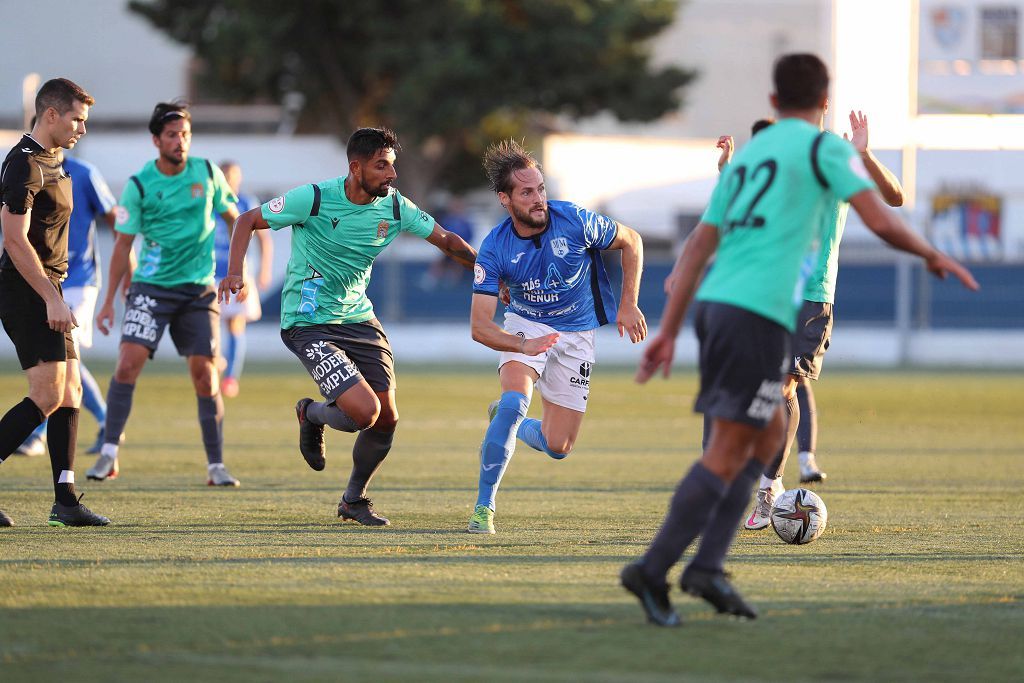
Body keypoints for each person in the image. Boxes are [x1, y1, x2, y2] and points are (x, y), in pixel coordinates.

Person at [621, 53, 978, 627]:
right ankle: (657, 567)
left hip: (719, 307)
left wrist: (667, 329)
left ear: (772, 102)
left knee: (767, 434)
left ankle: (708, 565)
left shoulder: (753, 155)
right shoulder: (823, 151)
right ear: (825, 99)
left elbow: (697, 245)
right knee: (730, 448)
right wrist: (933, 255)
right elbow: (886, 220)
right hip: (765, 310)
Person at [219, 127, 476, 526]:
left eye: (392, 166)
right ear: (355, 168)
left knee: (387, 417)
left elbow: (447, 241)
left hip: (359, 318)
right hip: (308, 322)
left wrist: (490, 277)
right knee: (364, 412)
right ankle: (313, 414)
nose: (391, 175)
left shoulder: (394, 207)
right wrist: (236, 271)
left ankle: (354, 500)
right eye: (381, 166)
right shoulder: (315, 198)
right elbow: (247, 220)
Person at [466, 139, 646, 534]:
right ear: (504, 198)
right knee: (515, 401)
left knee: (558, 447)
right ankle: (483, 508)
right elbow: (480, 326)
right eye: (526, 192)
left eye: (541, 189)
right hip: (526, 326)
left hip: (577, 335)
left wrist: (628, 304)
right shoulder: (494, 247)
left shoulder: (576, 220)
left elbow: (631, 241)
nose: (538, 199)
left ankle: (506, 420)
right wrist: (521, 344)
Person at [741, 109, 906, 531]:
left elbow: (895, 197)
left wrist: (864, 156)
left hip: (813, 296)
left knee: (785, 386)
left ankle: (769, 487)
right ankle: (767, 474)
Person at [88, 102, 241, 486]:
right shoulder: (139, 185)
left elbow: (235, 219)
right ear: (156, 140)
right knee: (126, 365)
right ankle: (109, 454)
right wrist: (109, 301)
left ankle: (216, 465)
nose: (180, 141)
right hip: (151, 289)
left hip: (198, 291)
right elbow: (123, 245)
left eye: (185, 134)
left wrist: (235, 270)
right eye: (172, 135)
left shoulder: (207, 173)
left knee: (205, 375)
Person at [0, 77, 110, 527]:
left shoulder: (56, 160)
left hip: (51, 287)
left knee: (71, 391)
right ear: (51, 114)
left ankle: (65, 500)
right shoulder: (24, 163)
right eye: (76, 119)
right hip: (27, 290)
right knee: (46, 395)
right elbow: (13, 239)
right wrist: (50, 297)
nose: (81, 128)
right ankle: (63, 499)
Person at [14, 152, 127, 458]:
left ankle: (38, 433)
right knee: (61, 360)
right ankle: (106, 421)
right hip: (44, 279)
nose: (79, 128)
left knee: (63, 354)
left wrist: (127, 270)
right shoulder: (27, 169)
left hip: (79, 280)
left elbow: (116, 220)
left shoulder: (84, 172)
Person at [213, 161, 272, 398]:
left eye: (233, 175)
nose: (229, 179)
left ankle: (230, 379)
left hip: (238, 273)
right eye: (225, 175)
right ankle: (215, 366)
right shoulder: (210, 203)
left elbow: (263, 240)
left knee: (235, 324)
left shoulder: (247, 203)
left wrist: (263, 270)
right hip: (210, 273)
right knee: (208, 325)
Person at [419, 195, 475, 289]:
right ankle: (430, 281)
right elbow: (441, 232)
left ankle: (452, 284)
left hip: (460, 248)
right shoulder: (448, 219)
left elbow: (470, 234)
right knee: (440, 263)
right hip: (447, 248)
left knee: (458, 264)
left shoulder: (465, 222)